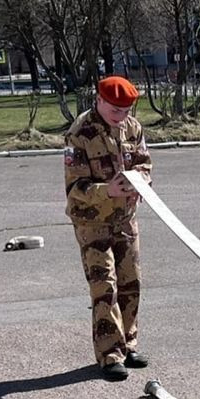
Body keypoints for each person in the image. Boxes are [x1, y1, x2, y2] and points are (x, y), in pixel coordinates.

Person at [64, 76, 153, 381]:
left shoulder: (132, 127)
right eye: (116, 110)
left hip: (126, 218)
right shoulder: (80, 133)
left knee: (131, 283)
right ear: (99, 100)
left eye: (127, 109)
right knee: (105, 287)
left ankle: (128, 345)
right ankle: (109, 355)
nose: (121, 116)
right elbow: (76, 187)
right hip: (93, 221)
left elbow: (143, 162)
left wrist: (142, 182)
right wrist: (108, 190)